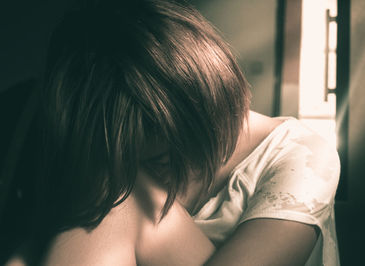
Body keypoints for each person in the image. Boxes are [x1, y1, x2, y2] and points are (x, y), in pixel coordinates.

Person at [7, 0, 340, 265]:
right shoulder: (125, 159)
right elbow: (64, 228)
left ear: (194, 104)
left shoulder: (303, 155)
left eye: (160, 154)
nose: (152, 163)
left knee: (121, 196)